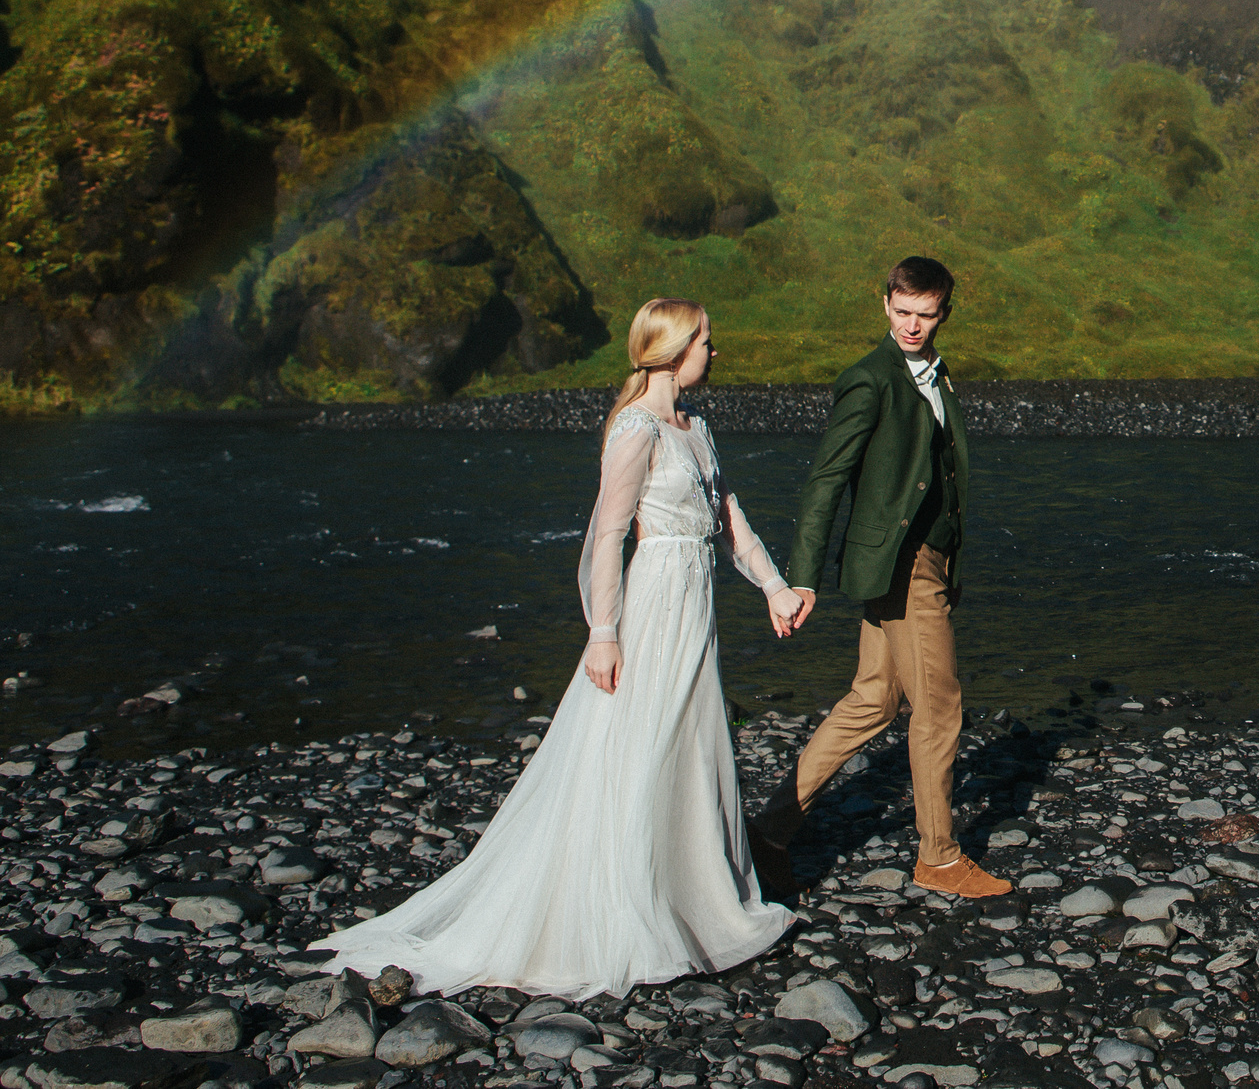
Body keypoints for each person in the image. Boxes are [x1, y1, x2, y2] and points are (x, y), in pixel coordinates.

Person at [315, 298, 806, 998]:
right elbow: (606, 537)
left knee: (692, 742)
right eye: (706, 340)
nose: (713, 352)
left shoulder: (696, 428)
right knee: (642, 740)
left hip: (695, 606)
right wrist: (603, 634)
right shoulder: (635, 429)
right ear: (672, 348)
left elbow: (730, 520)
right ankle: (633, 906)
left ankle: (696, 900)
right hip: (654, 605)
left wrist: (774, 587)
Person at [749, 256, 1011, 900]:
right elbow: (826, 481)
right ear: (885, 305)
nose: (912, 326)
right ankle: (939, 858)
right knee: (940, 706)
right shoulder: (868, 381)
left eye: (925, 315)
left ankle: (768, 830)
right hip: (902, 564)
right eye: (901, 312)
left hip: (929, 558)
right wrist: (801, 578)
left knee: (874, 699)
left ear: (943, 312)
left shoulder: (936, 374)